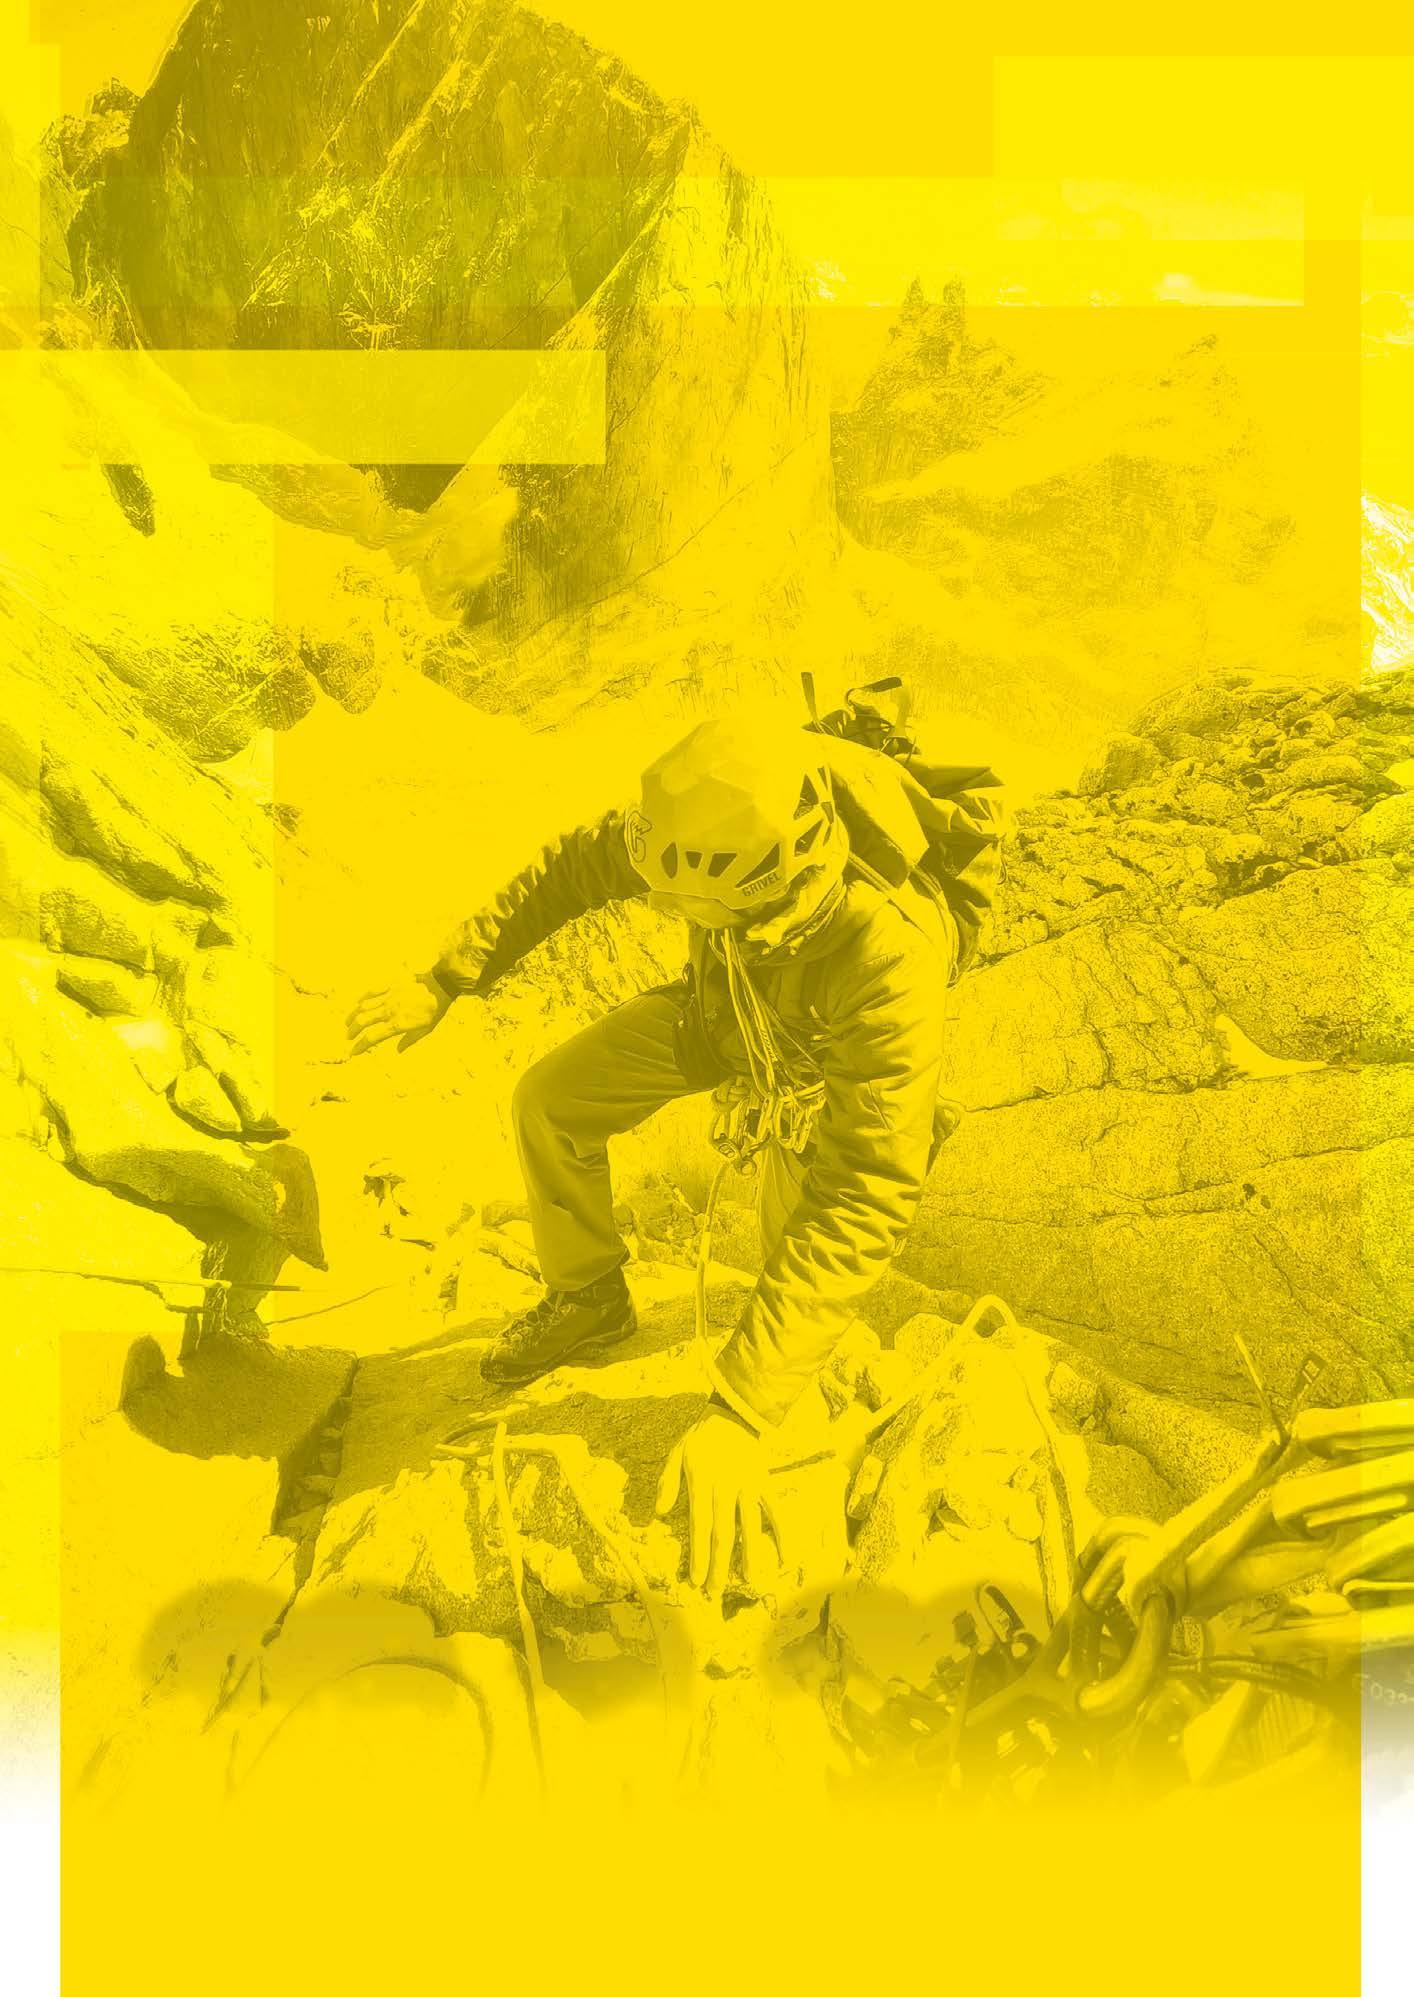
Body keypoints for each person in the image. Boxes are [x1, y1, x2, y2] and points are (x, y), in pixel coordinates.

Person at [347, 714, 970, 1595]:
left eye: (678, 905)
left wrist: (740, 1411)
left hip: (817, 1074)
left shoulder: (890, 954)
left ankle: (778, 1415)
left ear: (750, 892)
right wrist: (446, 980)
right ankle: (589, 1297)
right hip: (723, 1010)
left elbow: (863, 1192)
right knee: (549, 1102)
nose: (659, 906)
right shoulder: (700, 839)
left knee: (789, 1267)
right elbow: (570, 869)